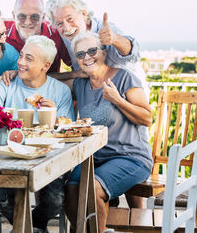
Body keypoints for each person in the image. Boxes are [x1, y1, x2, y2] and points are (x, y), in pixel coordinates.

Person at [0, 35, 75, 233]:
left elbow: (67, 132)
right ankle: (32, 230)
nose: (21, 62)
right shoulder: (6, 84)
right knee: (1, 196)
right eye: (22, 56)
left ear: (46, 65)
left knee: (54, 200)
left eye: (29, 58)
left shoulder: (60, 91)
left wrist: (54, 115)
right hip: (8, 158)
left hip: (48, 158)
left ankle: (29, 227)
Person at [62, 31, 153, 232]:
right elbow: (44, 79)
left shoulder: (124, 78)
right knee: (71, 190)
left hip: (130, 156)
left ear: (103, 52)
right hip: (94, 158)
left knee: (93, 188)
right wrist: (74, 73)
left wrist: (118, 100)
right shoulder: (80, 83)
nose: (87, 57)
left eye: (92, 51)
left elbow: (147, 118)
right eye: (80, 54)